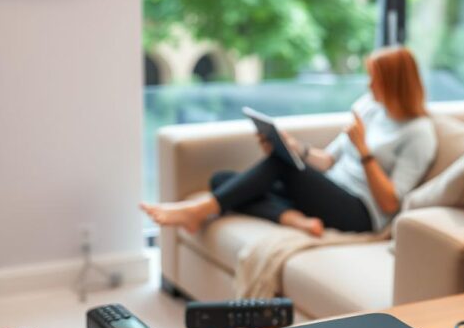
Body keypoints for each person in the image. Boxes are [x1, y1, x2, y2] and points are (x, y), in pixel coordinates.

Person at [140, 46, 437, 238]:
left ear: (395, 83)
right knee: (222, 179)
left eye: (376, 79)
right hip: (329, 188)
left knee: (278, 169)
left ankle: (197, 211)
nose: (368, 84)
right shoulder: (370, 107)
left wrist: (364, 152)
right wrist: (296, 148)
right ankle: (295, 220)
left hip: (361, 211)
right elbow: (329, 160)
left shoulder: (419, 133)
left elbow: (390, 202)